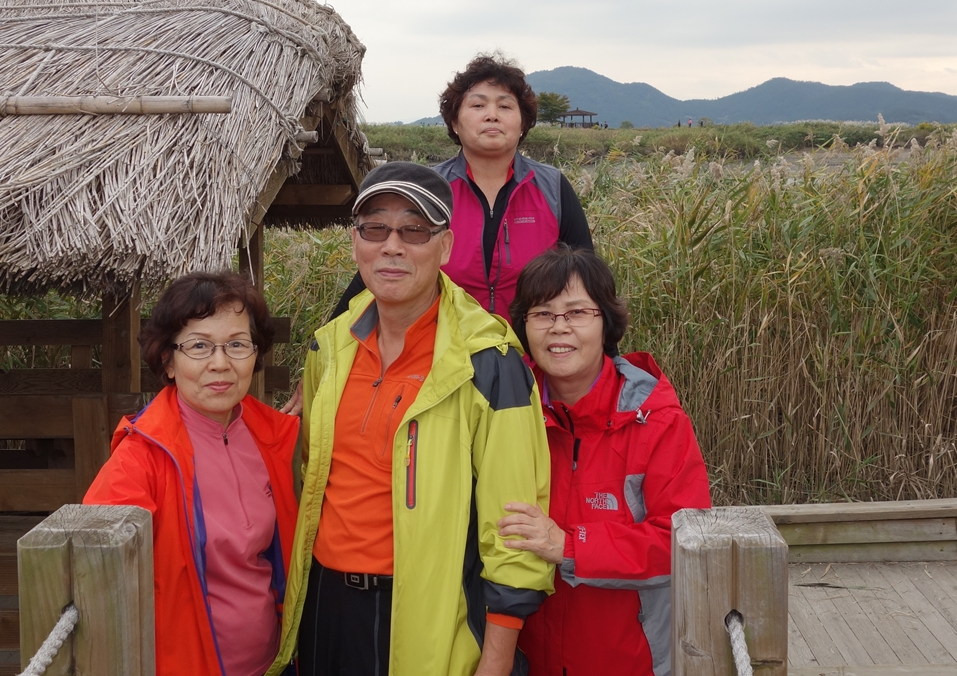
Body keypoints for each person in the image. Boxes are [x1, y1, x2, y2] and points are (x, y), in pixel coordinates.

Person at [272, 162, 555, 676]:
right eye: (375, 228)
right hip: (326, 608)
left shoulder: (489, 361)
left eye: (414, 231)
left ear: (445, 247)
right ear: (355, 243)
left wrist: (496, 660)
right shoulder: (329, 348)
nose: (392, 247)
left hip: (430, 614)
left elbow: (513, 525)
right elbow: (309, 476)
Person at [498, 245, 712, 676]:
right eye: (542, 314)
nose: (559, 328)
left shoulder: (657, 420)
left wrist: (569, 547)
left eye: (577, 312)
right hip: (524, 658)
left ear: (606, 322)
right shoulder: (506, 411)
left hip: (628, 659)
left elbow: (682, 543)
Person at [84, 272, 299, 676]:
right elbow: (93, 572)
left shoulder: (275, 439)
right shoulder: (141, 456)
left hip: (276, 663)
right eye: (199, 346)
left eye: (237, 344)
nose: (220, 363)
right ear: (168, 361)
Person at [334, 53, 593, 319]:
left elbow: (587, 277)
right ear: (455, 123)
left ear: (523, 124)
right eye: (478, 105)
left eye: (505, 106)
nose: (492, 115)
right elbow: (382, 265)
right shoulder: (427, 190)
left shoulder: (553, 188)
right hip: (442, 341)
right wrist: (328, 336)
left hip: (533, 342)